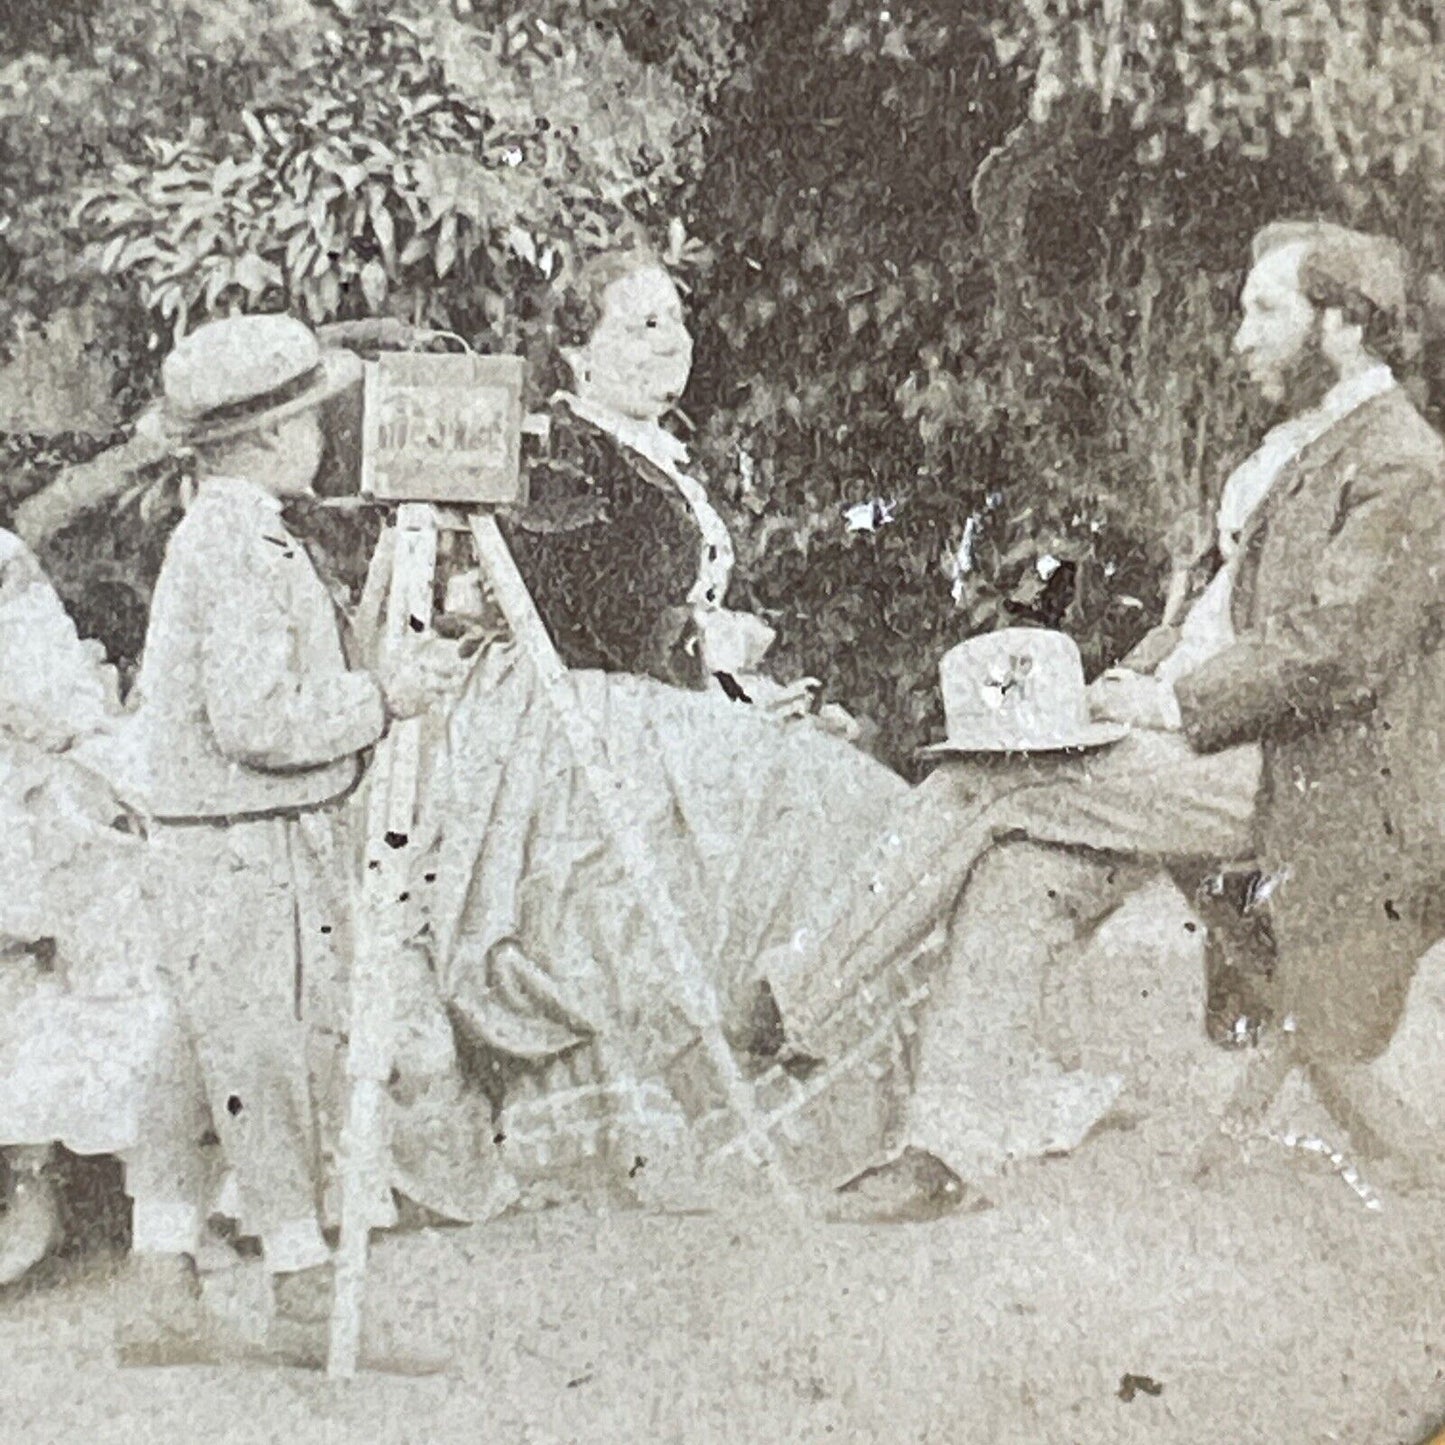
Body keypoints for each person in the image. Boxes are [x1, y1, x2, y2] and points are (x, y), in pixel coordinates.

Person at [768, 219, 1445, 1221]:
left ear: (1343, 324)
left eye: (1264, 310)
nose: (1238, 336)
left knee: (990, 775)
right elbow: (1207, 621)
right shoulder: (1299, 446)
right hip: (1220, 748)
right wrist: (1114, 689)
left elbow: (1331, 654)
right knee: (1015, 865)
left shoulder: (1400, 464)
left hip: (1317, 784)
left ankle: (785, 1005)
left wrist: (1166, 705)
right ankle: (941, 1152)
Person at [419, 243, 910, 1201]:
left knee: (845, 791)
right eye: (641, 325)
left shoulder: (647, 448)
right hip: (580, 713)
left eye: (677, 321)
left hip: (659, 702)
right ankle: (735, 1066)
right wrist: (700, 643)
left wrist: (735, 675)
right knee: (815, 808)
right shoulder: (564, 452)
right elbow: (565, 612)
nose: (671, 343)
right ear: (576, 352)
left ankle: (807, 1047)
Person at [87, 313, 476, 1369]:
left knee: (196, 1056)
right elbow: (256, 719)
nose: (320, 439)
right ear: (264, 440)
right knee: (272, 1063)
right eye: (308, 421)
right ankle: (304, 1291)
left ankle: (160, 1284)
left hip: (202, 840)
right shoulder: (242, 545)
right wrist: (380, 697)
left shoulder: (219, 532)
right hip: (241, 845)